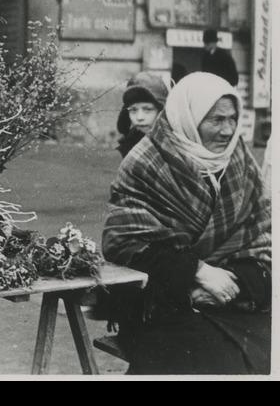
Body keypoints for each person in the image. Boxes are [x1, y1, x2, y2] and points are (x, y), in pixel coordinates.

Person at [102, 72, 271, 375]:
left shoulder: (240, 160)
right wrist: (198, 272)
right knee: (204, 358)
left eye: (233, 119)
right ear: (189, 118)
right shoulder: (145, 163)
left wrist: (234, 283)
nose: (227, 130)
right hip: (160, 303)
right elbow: (123, 242)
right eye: (216, 120)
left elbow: (264, 236)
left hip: (231, 298)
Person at [115, 72, 169, 158]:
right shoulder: (128, 147)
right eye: (133, 110)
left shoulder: (175, 146)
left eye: (147, 109)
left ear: (160, 111)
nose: (139, 118)